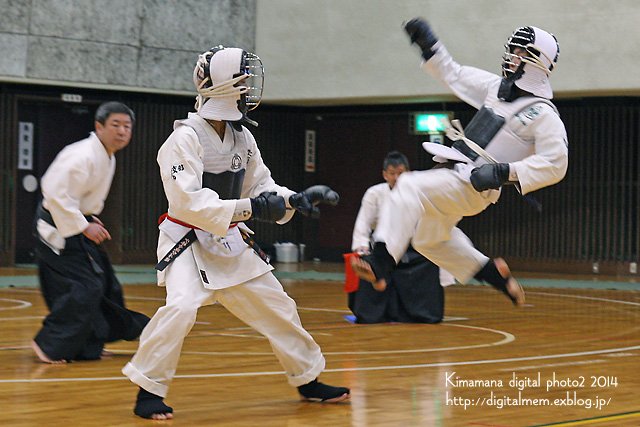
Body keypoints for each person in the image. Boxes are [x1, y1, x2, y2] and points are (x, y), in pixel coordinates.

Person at [122, 45, 349, 420]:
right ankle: (148, 390)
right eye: (244, 83)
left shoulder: (243, 138)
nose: (249, 91)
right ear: (226, 88)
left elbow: (261, 186)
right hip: (186, 240)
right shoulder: (183, 139)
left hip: (229, 239)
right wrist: (253, 209)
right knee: (180, 308)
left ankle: (308, 379)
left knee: (279, 307)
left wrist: (296, 198)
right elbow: (189, 204)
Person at [351, 18, 568, 305]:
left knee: (407, 186)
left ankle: (380, 263)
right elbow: (454, 74)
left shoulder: (543, 114)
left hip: (473, 184)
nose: (512, 57)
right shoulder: (496, 88)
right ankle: (495, 275)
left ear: (537, 62)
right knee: (429, 240)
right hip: (455, 172)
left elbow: (556, 163)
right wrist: (429, 45)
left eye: (520, 53)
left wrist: (504, 173)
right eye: (513, 50)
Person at [31, 101, 150, 364]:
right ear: (99, 126)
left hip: (74, 223)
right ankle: (48, 344)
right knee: (85, 287)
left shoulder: (107, 156)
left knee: (105, 283)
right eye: (115, 125)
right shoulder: (83, 155)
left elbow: (77, 196)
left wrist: (87, 218)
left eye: (127, 127)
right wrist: (83, 225)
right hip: (56, 230)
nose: (122, 132)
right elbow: (54, 190)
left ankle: (90, 342)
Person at [349, 151, 452, 324]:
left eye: (401, 173)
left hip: (414, 250)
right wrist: (362, 249)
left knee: (430, 263)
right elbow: (363, 223)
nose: (396, 178)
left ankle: (423, 313)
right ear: (384, 174)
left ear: (409, 174)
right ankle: (373, 300)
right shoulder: (374, 193)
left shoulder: (421, 193)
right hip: (383, 249)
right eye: (392, 173)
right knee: (367, 263)